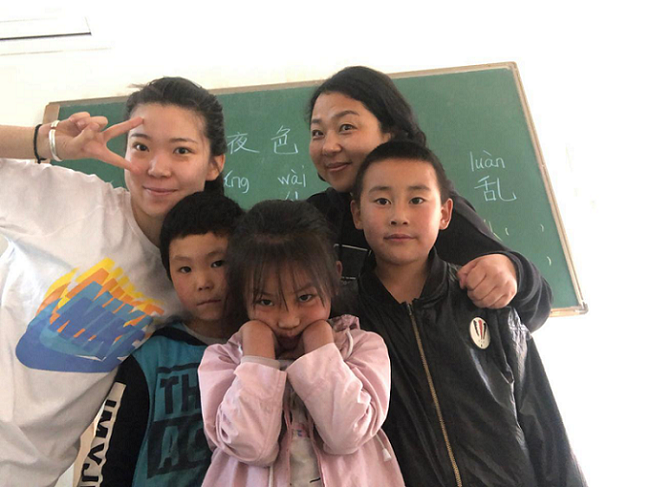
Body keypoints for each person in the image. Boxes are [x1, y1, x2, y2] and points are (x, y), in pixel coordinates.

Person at [0, 77, 228, 486]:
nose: (157, 168)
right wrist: (49, 142)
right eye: (141, 147)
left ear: (214, 164)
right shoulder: (74, 202)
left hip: (30, 473)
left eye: (181, 150)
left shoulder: (200, 274)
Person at [350, 140, 586, 487]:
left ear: (445, 213)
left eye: (417, 200)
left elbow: (545, 427)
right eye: (382, 201)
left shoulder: (485, 302)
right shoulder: (346, 319)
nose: (399, 215)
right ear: (357, 213)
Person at [306, 66, 551, 330]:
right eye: (317, 133)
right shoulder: (310, 220)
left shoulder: (430, 214)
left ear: (391, 133)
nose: (328, 147)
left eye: (346, 127)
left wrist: (512, 271)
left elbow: (533, 308)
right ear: (357, 214)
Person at [197, 200, 405, 487]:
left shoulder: (362, 348)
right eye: (265, 301)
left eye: (305, 297)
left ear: (333, 278)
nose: (288, 319)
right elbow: (251, 447)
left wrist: (321, 349)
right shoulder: (222, 360)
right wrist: (257, 358)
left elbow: (347, 436)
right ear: (241, 294)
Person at [77, 191, 244, 487]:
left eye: (218, 263)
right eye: (185, 269)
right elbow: (107, 462)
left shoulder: (265, 352)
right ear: (168, 273)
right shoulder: (151, 356)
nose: (202, 282)